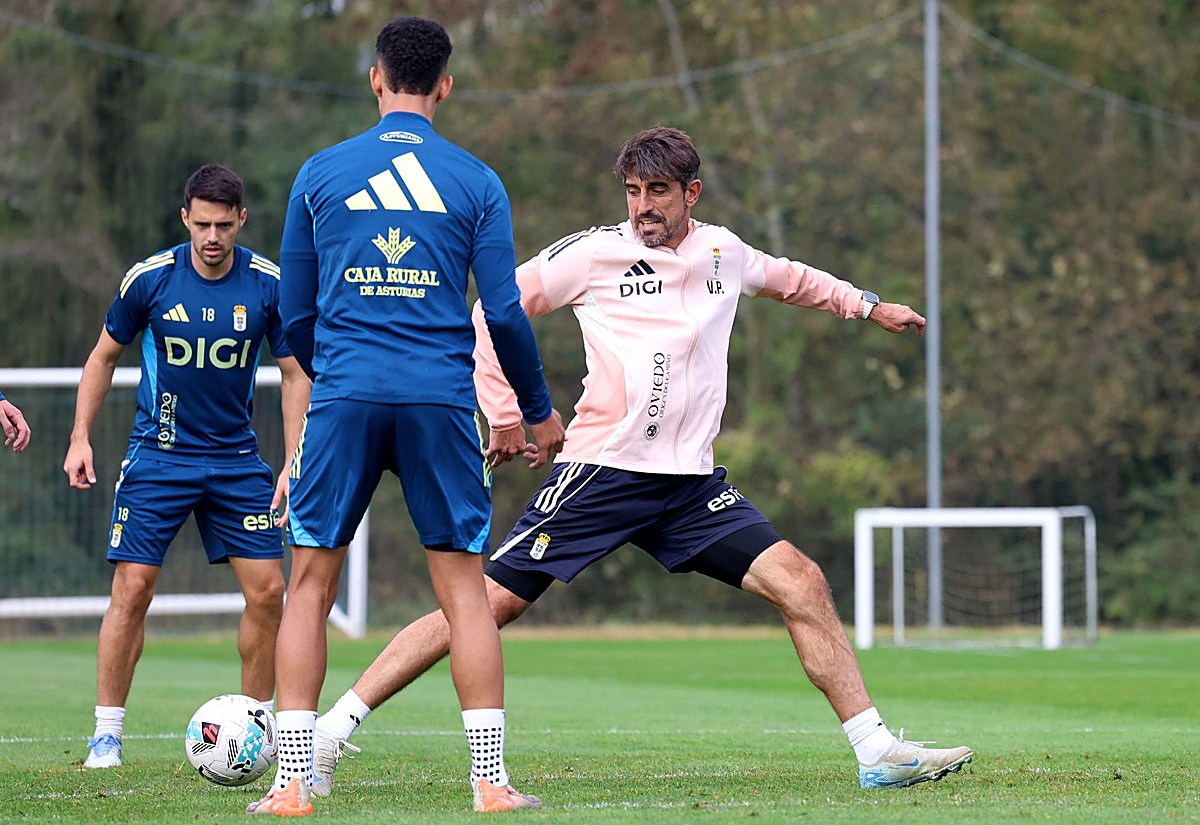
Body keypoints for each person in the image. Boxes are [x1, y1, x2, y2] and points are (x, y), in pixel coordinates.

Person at [310, 126, 974, 798]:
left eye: (657, 192)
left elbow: (792, 280)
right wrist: (504, 412)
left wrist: (866, 305)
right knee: (486, 605)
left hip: (687, 487)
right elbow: (489, 314)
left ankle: (876, 750)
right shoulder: (594, 254)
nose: (642, 207)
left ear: (692, 193)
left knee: (800, 581)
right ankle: (331, 732)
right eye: (633, 192)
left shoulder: (724, 251)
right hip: (602, 472)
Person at [247, 16, 564, 817]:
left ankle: (290, 787)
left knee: (310, 586)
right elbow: (505, 313)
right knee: (465, 592)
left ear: (376, 78)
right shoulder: (476, 181)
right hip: (440, 401)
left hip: (347, 398)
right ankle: (489, 784)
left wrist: (342, 375)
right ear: (446, 85)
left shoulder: (321, 172)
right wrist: (538, 410)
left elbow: (291, 311)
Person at [63, 164, 310, 770]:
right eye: (202, 224)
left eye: (224, 225)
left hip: (235, 461)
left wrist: (294, 459)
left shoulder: (268, 285)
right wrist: (80, 438)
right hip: (158, 456)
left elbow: (295, 372)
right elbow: (102, 359)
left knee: (271, 592)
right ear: (185, 219)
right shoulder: (150, 279)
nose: (213, 237)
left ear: (241, 220)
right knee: (133, 588)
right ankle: (107, 736)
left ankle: (255, 730)